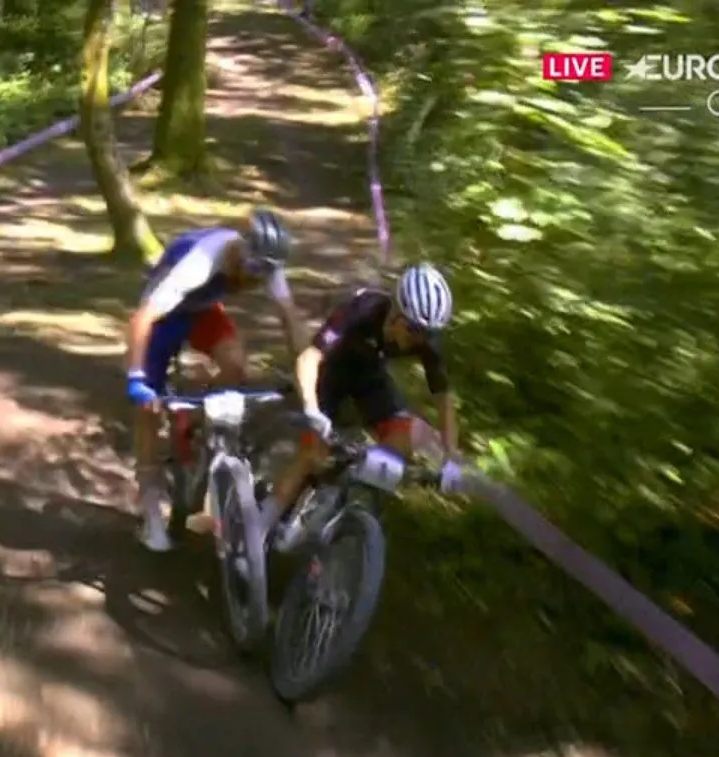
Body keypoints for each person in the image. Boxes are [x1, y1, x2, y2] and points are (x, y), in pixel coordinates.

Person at [123, 208, 309, 552]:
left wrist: (308, 374)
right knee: (147, 410)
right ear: (240, 251)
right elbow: (142, 318)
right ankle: (151, 514)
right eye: (252, 272)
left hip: (201, 310)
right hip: (164, 313)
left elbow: (291, 320)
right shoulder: (200, 262)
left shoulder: (266, 263)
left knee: (235, 364)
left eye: (263, 276)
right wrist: (136, 379)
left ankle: (191, 420)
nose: (255, 282)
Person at [257, 262, 468, 551]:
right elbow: (309, 358)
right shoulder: (362, 310)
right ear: (396, 313)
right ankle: (257, 531)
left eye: (428, 334)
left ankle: (348, 499)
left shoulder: (425, 340)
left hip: (370, 377)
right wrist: (311, 409)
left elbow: (444, 398)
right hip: (330, 374)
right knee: (312, 454)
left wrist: (451, 456)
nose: (420, 340)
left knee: (404, 439)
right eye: (415, 330)